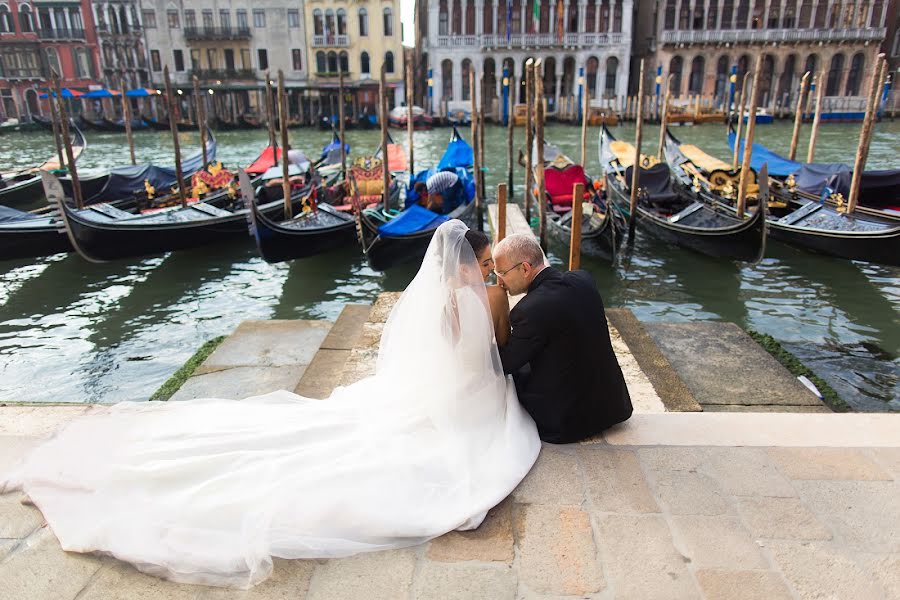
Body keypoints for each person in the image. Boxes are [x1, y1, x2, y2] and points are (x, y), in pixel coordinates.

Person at [1, 220, 540, 589]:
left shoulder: (436, 296)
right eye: (488, 259)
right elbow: (498, 347)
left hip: (442, 389)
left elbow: (443, 352)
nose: (491, 267)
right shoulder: (492, 295)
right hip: (470, 394)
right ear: (474, 261)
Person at [492, 234, 632, 443]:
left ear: (525, 268)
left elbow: (505, 364)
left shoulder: (529, 309)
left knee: (506, 382)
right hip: (612, 407)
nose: (500, 281)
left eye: (502, 273)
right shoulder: (584, 279)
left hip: (566, 422)